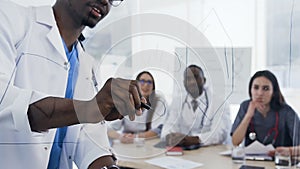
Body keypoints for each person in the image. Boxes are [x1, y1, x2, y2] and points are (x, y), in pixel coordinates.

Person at [0, 0, 145, 168]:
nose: (106, 1)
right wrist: (89, 108)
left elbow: (88, 137)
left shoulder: (86, 64)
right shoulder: (11, 18)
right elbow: (5, 103)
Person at [231, 70, 300, 156]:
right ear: (250, 90)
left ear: (273, 92)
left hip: (279, 162)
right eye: (256, 87)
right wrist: (248, 116)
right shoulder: (245, 106)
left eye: (266, 89)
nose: (260, 93)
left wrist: (290, 151)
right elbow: (235, 142)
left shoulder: (286, 112)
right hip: (252, 161)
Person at [161, 65, 231, 148]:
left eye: (196, 77)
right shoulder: (177, 102)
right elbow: (169, 125)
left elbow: (220, 134)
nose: (192, 82)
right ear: (184, 83)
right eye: (188, 79)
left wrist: (195, 139)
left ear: (204, 80)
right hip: (184, 151)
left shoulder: (219, 103)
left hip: (211, 151)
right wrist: (169, 136)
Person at [108, 71, 167, 144]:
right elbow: (109, 129)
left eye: (149, 82)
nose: (146, 85)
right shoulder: (125, 101)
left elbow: (157, 130)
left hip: (148, 142)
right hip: (127, 143)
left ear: (153, 87)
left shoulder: (159, 101)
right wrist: (120, 137)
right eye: (142, 81)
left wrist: (135, 137)